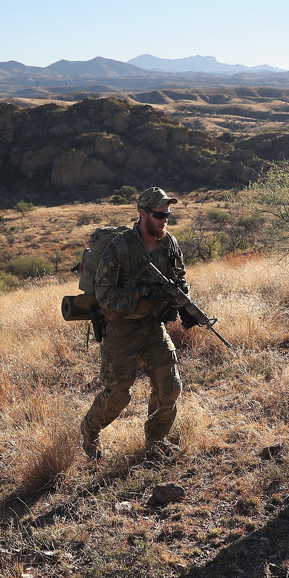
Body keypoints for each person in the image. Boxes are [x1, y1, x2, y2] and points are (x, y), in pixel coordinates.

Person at [80, 186, 188, 458]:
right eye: (159, 214)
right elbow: (105, 295)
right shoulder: (120, 248)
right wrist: (141, 295)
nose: (165, 219)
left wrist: (180, 301)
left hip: (152, 326)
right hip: (121, 327)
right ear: (143, 213)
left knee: (170, 385)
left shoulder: (169, 244)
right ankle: (90, 430)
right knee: (118, 393)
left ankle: (155, 441)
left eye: (168, 214)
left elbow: (180, 278)